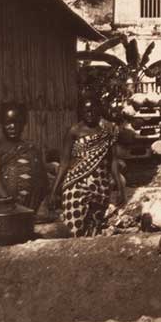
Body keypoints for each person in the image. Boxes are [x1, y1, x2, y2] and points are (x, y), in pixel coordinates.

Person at [50, 93, 127, 237]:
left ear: (99, 110)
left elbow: (113, 161)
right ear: (81, 112)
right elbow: (64, 163)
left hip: (100, 187)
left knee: (93, 228)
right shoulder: (74, 131)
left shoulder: (108, 131)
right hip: (75, 185)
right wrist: (54, 191)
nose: (90, 114)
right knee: (74, 228)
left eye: (93, 110)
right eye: (86, 111)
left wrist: (120, 189)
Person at [0, 101, 48, 213]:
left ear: (24, 123)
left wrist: (43, 203)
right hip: (9, 209)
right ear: (2, 123)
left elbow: (43, 179)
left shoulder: (31, 147)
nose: (13, 127)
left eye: (17, 122)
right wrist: (13, 205)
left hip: (34, 208)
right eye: (8, 123)